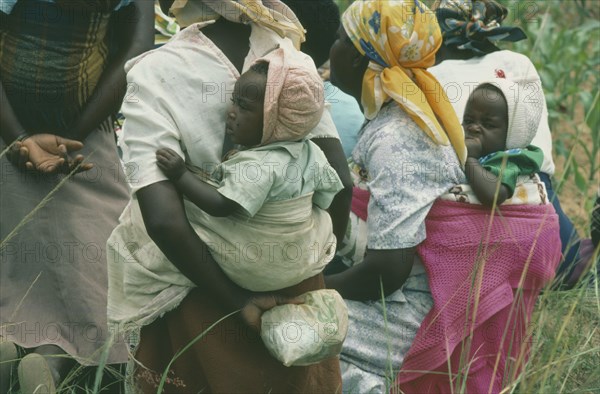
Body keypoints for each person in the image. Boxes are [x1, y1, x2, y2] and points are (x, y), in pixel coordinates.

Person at [108, 0, 350, 392]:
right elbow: (341, 183)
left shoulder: (156, 71)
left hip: (201, 293)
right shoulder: (288, 61)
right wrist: (305, 262)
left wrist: (239, 300)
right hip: (295, 302)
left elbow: (164, 220)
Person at [0, 0, 153, 392]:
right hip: (78, 136)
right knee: (96, 254)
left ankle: (31, 357)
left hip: (30, 133)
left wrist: (18, 137)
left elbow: (136, 47)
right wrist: (72, 139)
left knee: (31, 252)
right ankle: (53, 362)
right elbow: (136, 48)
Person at [324, 0, 468, 391]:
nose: (331, 48)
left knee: (286, 330)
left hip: (410, 312)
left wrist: (311, 289)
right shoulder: (395, 116)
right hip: (403, 294)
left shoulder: (397, 137)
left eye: (340, 38)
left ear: (358, 60)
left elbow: (387, 272)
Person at [428, 0, 592, 287]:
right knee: (570, 265)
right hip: (546, 211)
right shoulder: (518, 64)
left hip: (471, 210)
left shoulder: (431, 76)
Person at [151, 51, 342, 292]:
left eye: (243, 107)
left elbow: (219, 206)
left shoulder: (259, 165)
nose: (231, 112)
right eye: (233, 100)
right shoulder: (312, 153)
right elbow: (325, 198)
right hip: (299, 263)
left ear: (278, 120)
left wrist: (180, 175)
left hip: (257, 268)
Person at [462, 80, 545, 207]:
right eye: (468, 121)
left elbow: (494, 196)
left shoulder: (511, 160)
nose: (473, 128)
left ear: (511, 135)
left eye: (488, 125)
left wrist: (470, 159)